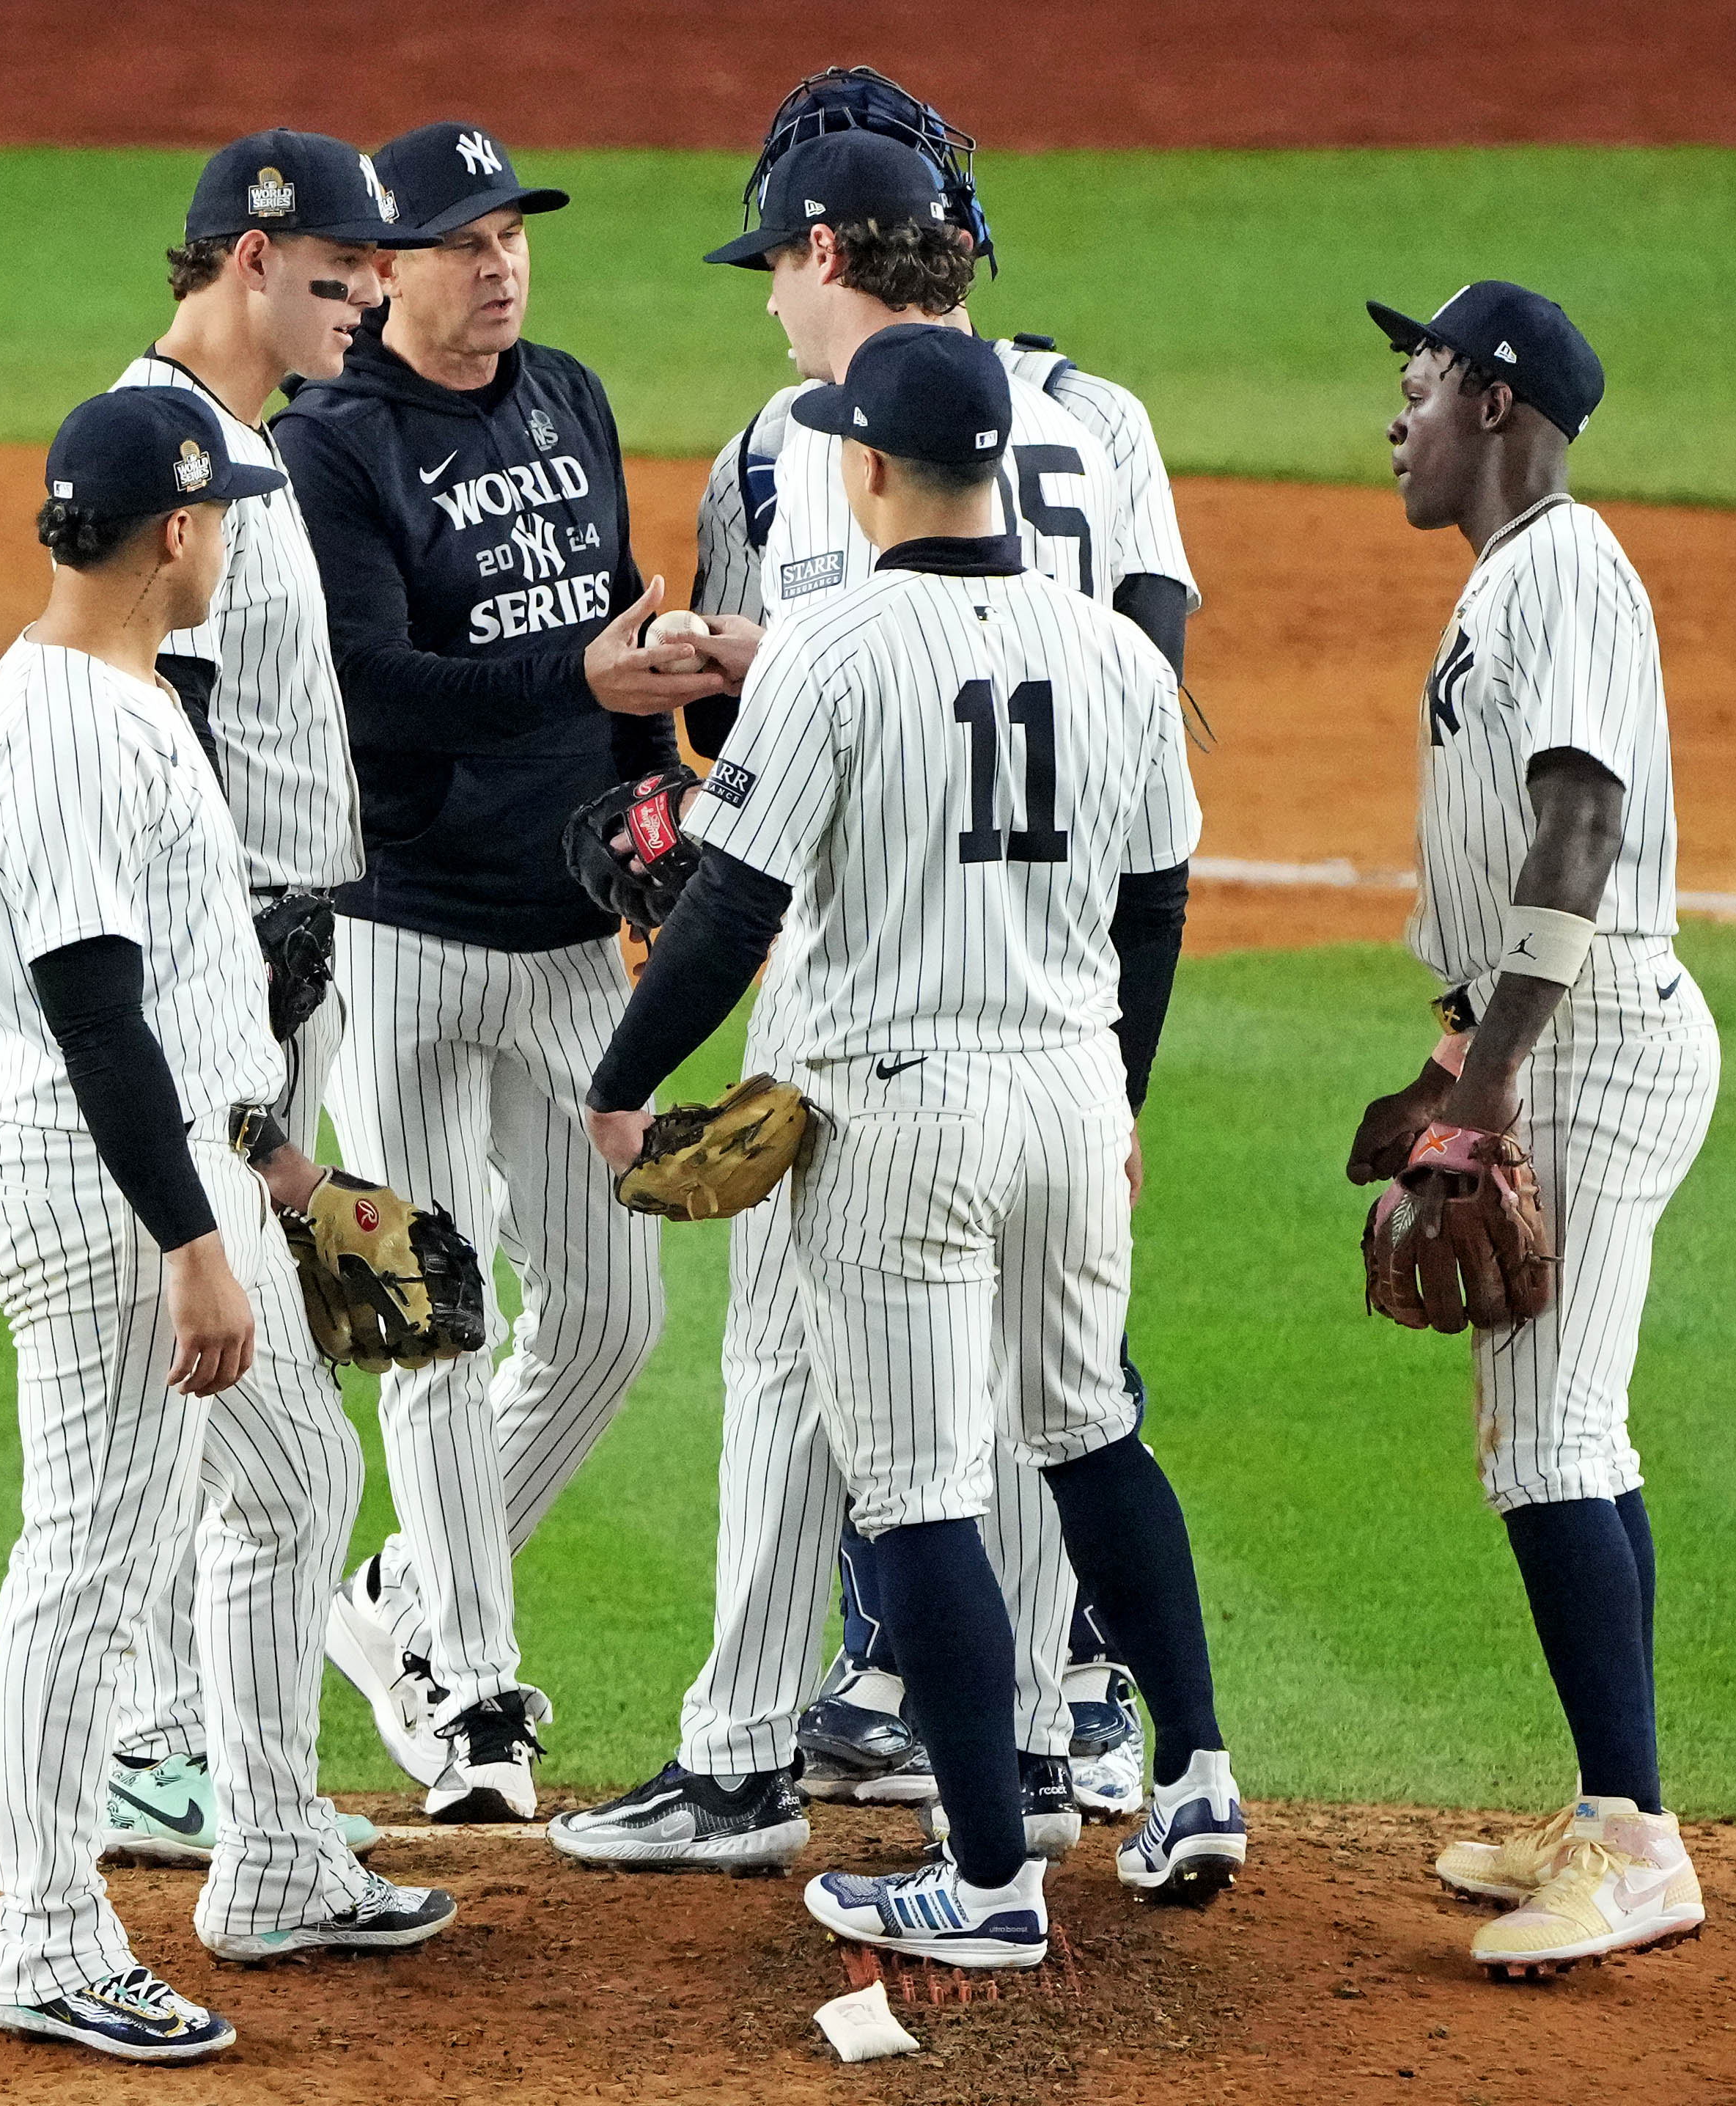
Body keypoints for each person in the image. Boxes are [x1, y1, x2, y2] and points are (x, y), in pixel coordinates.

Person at [575, 326, 1242, 1962]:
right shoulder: (1116, 656)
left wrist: (625, 1074)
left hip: (899, 1108)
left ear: (865, 467)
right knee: (1090, 1432)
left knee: (923, 1482)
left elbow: (735, 901)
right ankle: (1202, 1774)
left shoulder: (833, 642)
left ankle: (992, 1877)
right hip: (1076, 1093)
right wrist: (1126, 1092)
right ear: (999, 462)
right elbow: (1155, 908)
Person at [714, 64, 1206, 1826]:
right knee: (1060, 1379)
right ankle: (1072, 1712)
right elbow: (1153, 669)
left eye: (778, 257)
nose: (772, 291)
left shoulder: (808, 440)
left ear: (831, 246)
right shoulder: (1113, 419)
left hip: (870, 969)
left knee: (833, 1358)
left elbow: (809, 734)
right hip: (1067, 947)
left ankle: (783, 1738)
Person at [0, 388, 454, 2069]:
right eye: (222, 516)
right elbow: (96, 1012)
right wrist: (191, 1240)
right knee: (87, 1556)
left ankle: (269, 1853)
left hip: (182, 1164)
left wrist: (282, 1179)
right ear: (173, 532)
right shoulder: (76, 724)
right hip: (104, 1186)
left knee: (300, 1473)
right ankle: (41, 1929)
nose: (233, 538)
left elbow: (186, 997)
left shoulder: (123, 694)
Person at [271, 119, 724, 1823]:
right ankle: (471, 1689)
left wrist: (660, 771)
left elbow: (611, 626)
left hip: (562, 929)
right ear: (386, 268)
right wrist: (576, 680)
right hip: (396, 927)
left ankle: (396, 1597)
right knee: (437, 1307)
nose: (500, 262)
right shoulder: (335, 446)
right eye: (463, 238)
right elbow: (377, 689)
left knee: (615, 1308)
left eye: (515, 231)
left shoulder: (573, 399)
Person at [1345, 281, 1719, 1978]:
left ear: (1495, 400)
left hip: (1589, 1033)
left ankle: (1638, 1845)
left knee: (1553, 1443)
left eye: (1416, 380)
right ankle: (1606, 1802)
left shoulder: (1562, 566)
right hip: (1555, 1029)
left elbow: (1578, 830)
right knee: (1568, 1431)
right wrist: (1452, 1064)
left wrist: (1484, 1098)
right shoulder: (1516, 579)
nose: (1396, 413)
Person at [96, 128, 433, 1872]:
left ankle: (180, 1752)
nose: (370, 297)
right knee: (219, 1374)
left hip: (274, 973)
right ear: (246, 260)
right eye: (336, 275)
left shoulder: (246, 442)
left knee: (236, 1370)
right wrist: (238, 945)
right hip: (229, 978)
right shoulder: (176, 451)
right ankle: (157, 1749)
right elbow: (174, 741)